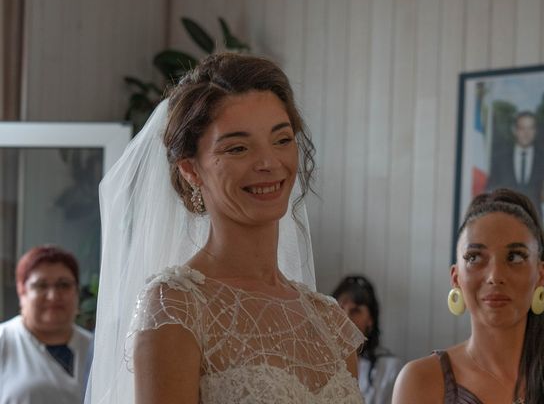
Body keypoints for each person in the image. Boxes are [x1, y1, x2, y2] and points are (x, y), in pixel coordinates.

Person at [86, 52, 364, 403]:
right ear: (191, 169)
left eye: (281, 140)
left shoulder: (329, 322)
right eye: (238, 148)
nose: (268, 162)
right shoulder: (178, 307)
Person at [392, 188, 544, 404]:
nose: (495, 276)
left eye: (515, 257)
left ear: (541, 274)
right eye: (475, 257)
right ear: (456, 277)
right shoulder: (421, 381)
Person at [0, 245, 93, 404]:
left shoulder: (94, 347)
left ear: (76, 290)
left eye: (63, 285)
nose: (53, 296)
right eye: (41, 285)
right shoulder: (4, 340)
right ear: (22, 292)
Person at [333, 275, 403, 404]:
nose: (346, 317)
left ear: (370, 319)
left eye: (355, 311)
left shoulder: (389, 368)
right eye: (340, 309)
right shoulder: (322, 364)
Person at [486, 111, 544, 213]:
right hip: (505, 218)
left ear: (535, 131)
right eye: (522, 128)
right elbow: (490, 190)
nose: (526, 133)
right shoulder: (500, 159)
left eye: (530, 128)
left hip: (535, 221)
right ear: (515, 131)